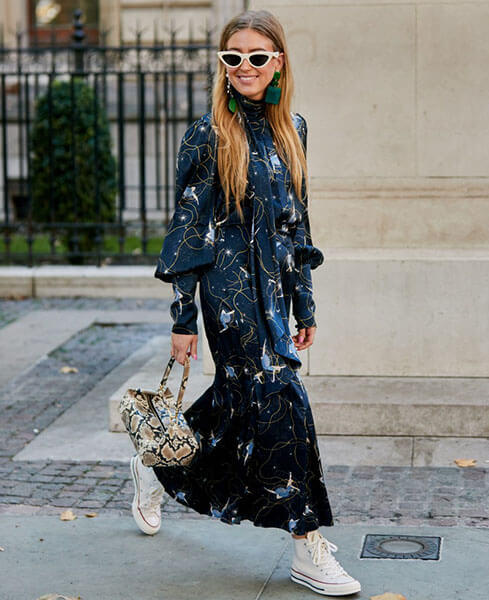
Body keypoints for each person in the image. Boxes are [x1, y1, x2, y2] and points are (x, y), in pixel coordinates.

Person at [129, 9, 361, 597]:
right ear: (222, 65)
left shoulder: (294, 129)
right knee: (283, 401)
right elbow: (186, 232)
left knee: (241, 405)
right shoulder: (206, 134)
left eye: (257, 57)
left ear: (278, 62)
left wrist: (304, 305)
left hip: (273, 289)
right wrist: (183, 319)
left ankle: (157, 465)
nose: (245, 67)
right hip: (227, 292)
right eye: (233, 58)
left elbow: (296, 223)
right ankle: (306, 545)